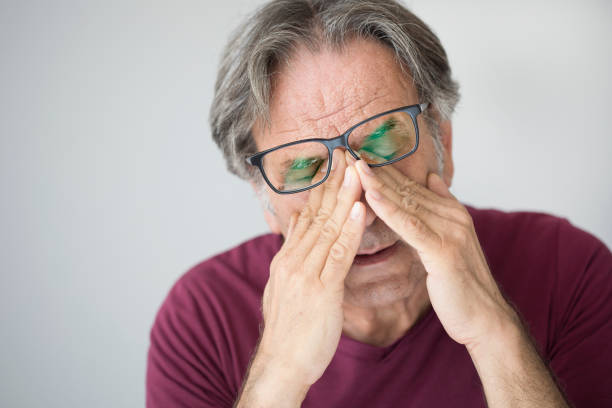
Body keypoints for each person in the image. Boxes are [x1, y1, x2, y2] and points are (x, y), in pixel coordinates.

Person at [146, 1, 612, 406]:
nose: (361, 205)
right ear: (264, 197)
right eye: (308, 169)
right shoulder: (200, 320)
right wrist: (279, 372)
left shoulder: (568, 267)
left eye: (385, 142)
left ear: (443, 143)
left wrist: (495, 332)